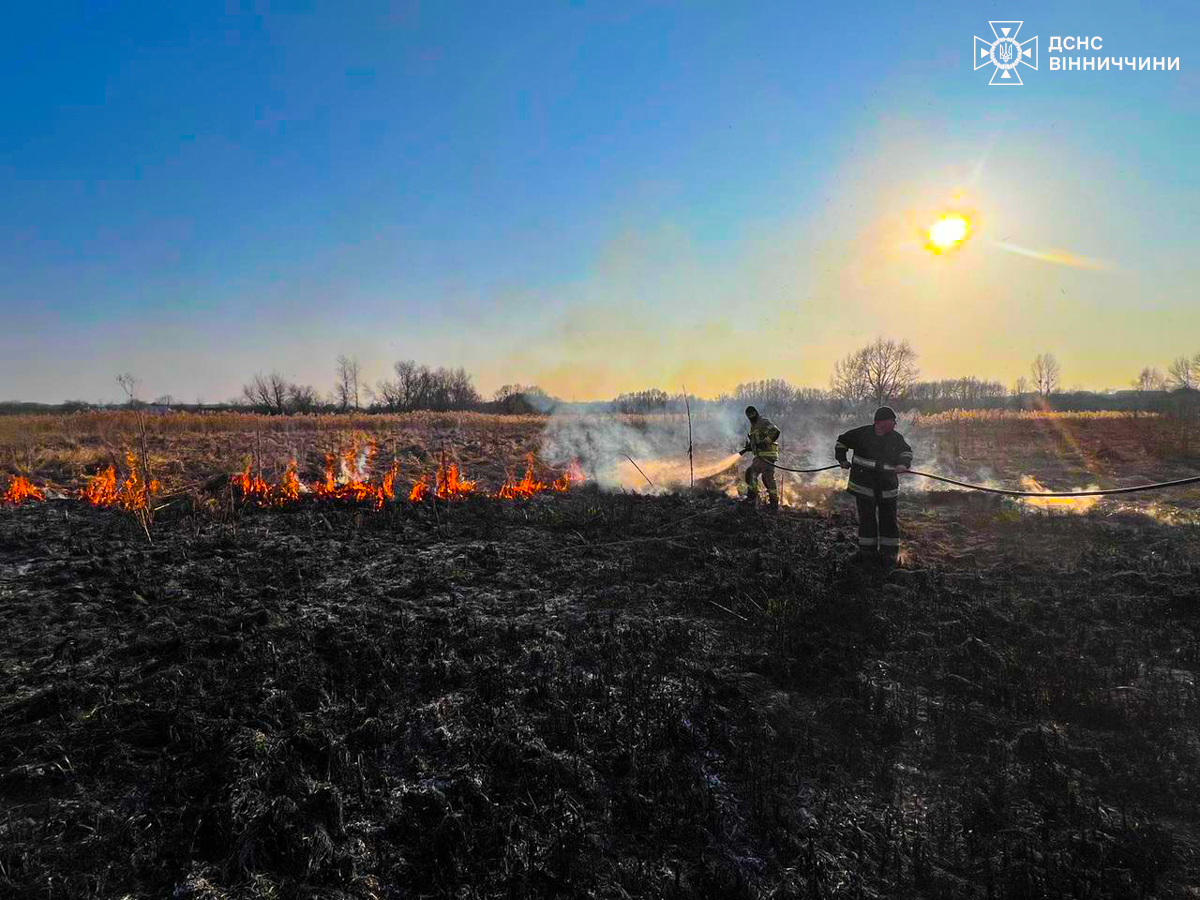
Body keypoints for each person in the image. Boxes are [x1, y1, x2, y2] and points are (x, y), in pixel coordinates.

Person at [834, 406, 914, 561]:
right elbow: (841, 442)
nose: (895, 424)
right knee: (867, 520)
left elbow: (907, 452)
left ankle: (890, 554)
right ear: (880, 422)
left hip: (887, 487)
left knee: (889, 520)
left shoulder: (896, 438)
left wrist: (903, 464)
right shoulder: (861, 434)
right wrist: (842, 460)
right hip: (864, 487)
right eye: (892, 421)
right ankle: (867, 553)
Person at [740, 406, 781, 511]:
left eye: (752, 414)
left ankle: (772, 503)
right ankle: (753, 497)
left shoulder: (762, 422)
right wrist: (750, 446)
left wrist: (765, 443)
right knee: (752, 473)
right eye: (749, 415)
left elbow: (775, 431)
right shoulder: (754, 426)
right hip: (760, 456)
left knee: (765, 477)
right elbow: (756, 440)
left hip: (767, 455)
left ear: (756, 413)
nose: (751, 417)